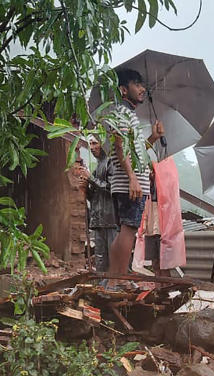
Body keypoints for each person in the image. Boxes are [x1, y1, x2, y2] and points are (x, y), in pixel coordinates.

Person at [105, 68, 163, 284]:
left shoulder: (127, 114)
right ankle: (116, 280)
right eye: (136, 84)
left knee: (125, 230)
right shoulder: (121, 112)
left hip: (130, 181)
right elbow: (119, 147)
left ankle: (116, 278)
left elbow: (136, 151)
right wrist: (132, 178)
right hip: (129, 183)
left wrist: (153, 138)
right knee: (128, 229)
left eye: (142, 84)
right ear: (123, 89)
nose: (142, 89)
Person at [86, 136, 117, 273]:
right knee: (100, 259)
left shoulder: (111, 163)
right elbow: (93, 197)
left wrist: (91, 179)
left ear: (103, 144)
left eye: (95, 143)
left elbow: (112, 188)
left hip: (111, 219)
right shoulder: (97, 166)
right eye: (90, 144)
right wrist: (85, 188)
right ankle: (101, 289)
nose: (92, 147)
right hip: (98, 220)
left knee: (114, 257)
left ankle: (116, 286)